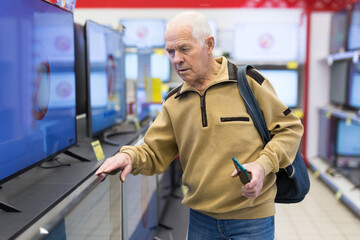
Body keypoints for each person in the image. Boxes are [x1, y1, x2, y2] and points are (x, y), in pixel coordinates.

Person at [96, 11, 304, 240]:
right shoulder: (174, 102)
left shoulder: (248, 83)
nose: (176, 59)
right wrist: (129, 157)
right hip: (201, 220)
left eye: (184, 49)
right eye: (171, 52)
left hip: (252, 219)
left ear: (209, 44)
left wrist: (263, 165)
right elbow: (153, 152)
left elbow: (290, 128)